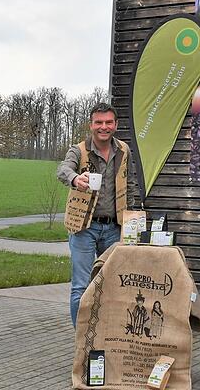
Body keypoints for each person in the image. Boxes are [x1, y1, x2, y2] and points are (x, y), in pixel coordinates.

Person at [57, 102, 133, 328]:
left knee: (110, 284)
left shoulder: (123, 150)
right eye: (99, 122)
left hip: (114, 228)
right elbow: (63, 169)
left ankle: (104, 335)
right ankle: (82, 340)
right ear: (91, 125)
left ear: (116, 125)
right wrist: (74, 178)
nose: (104, 127)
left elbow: (131, 182)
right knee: (81, 286)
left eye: (109, 122)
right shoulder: (78, 150)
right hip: (84, 228)